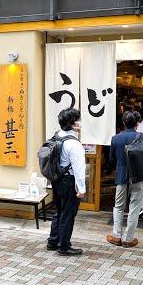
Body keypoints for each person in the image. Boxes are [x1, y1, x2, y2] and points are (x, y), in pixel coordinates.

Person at [46, 108, 86, 256]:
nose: (80, 122)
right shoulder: (74, 144)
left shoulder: (57, 136)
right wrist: (81, 188)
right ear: (72, 123)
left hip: (57, 179)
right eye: (78, 120)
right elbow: (79, 168)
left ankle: (53, 241)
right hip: (69, 180)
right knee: (68, 213)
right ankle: (64, 246)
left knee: (59, 210)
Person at [106, 110, 143, 248]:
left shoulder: (116, 138)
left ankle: (116, 236)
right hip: (139, 176)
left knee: (118, 206)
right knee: (135, 207)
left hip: (122, 175)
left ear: (124, 122)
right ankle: (128, 239)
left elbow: (111, 159)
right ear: (137, 123)